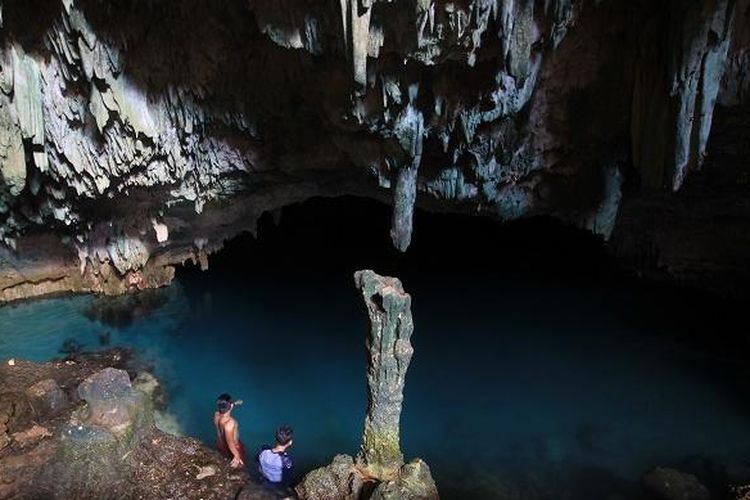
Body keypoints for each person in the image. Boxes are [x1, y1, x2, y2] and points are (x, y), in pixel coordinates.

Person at [214, 393, 246, 468]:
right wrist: (237, 456)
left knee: (225, 459)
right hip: (232, 447)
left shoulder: (216, 415)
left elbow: (226, 407)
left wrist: (235, 403)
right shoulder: (229, 423)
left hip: (220, 443)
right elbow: (230, 443)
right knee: (241, 465)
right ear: (230, 405)